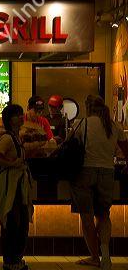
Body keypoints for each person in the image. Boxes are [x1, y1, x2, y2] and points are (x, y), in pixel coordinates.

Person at [71, 95, 128, 270]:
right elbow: (126, 149)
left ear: (88, 107)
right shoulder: (114, 125)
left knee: (87, 216)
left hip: (85, 172)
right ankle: (106, 254)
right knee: (103, 214)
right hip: (107, 172)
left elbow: (70, 147)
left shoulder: (81, 124)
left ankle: (94, 257)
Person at [0, 104, 34, 270]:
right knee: (12, 223)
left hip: (18, 187)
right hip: (11, 187)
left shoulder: (16, 137)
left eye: (21, 114)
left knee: (21, 223)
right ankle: (10, 261)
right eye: (17, 115)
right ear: (9, 119)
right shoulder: (7, 138)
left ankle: (16, 258)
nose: (21, 117)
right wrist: (12, 164)